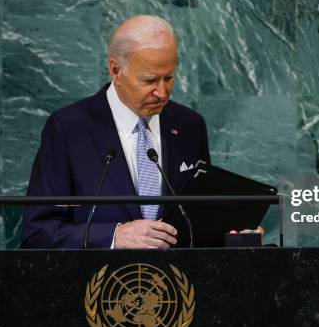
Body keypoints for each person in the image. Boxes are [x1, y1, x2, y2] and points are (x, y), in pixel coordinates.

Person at [21, 15, 210, 249]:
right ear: (115, 70)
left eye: (169, 78)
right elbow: (38, 233)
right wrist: (113, 237)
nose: (162, 92)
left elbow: (200, 221)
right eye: (150, 80)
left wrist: (236, 235)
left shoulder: (190, 126)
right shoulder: (68, 128)